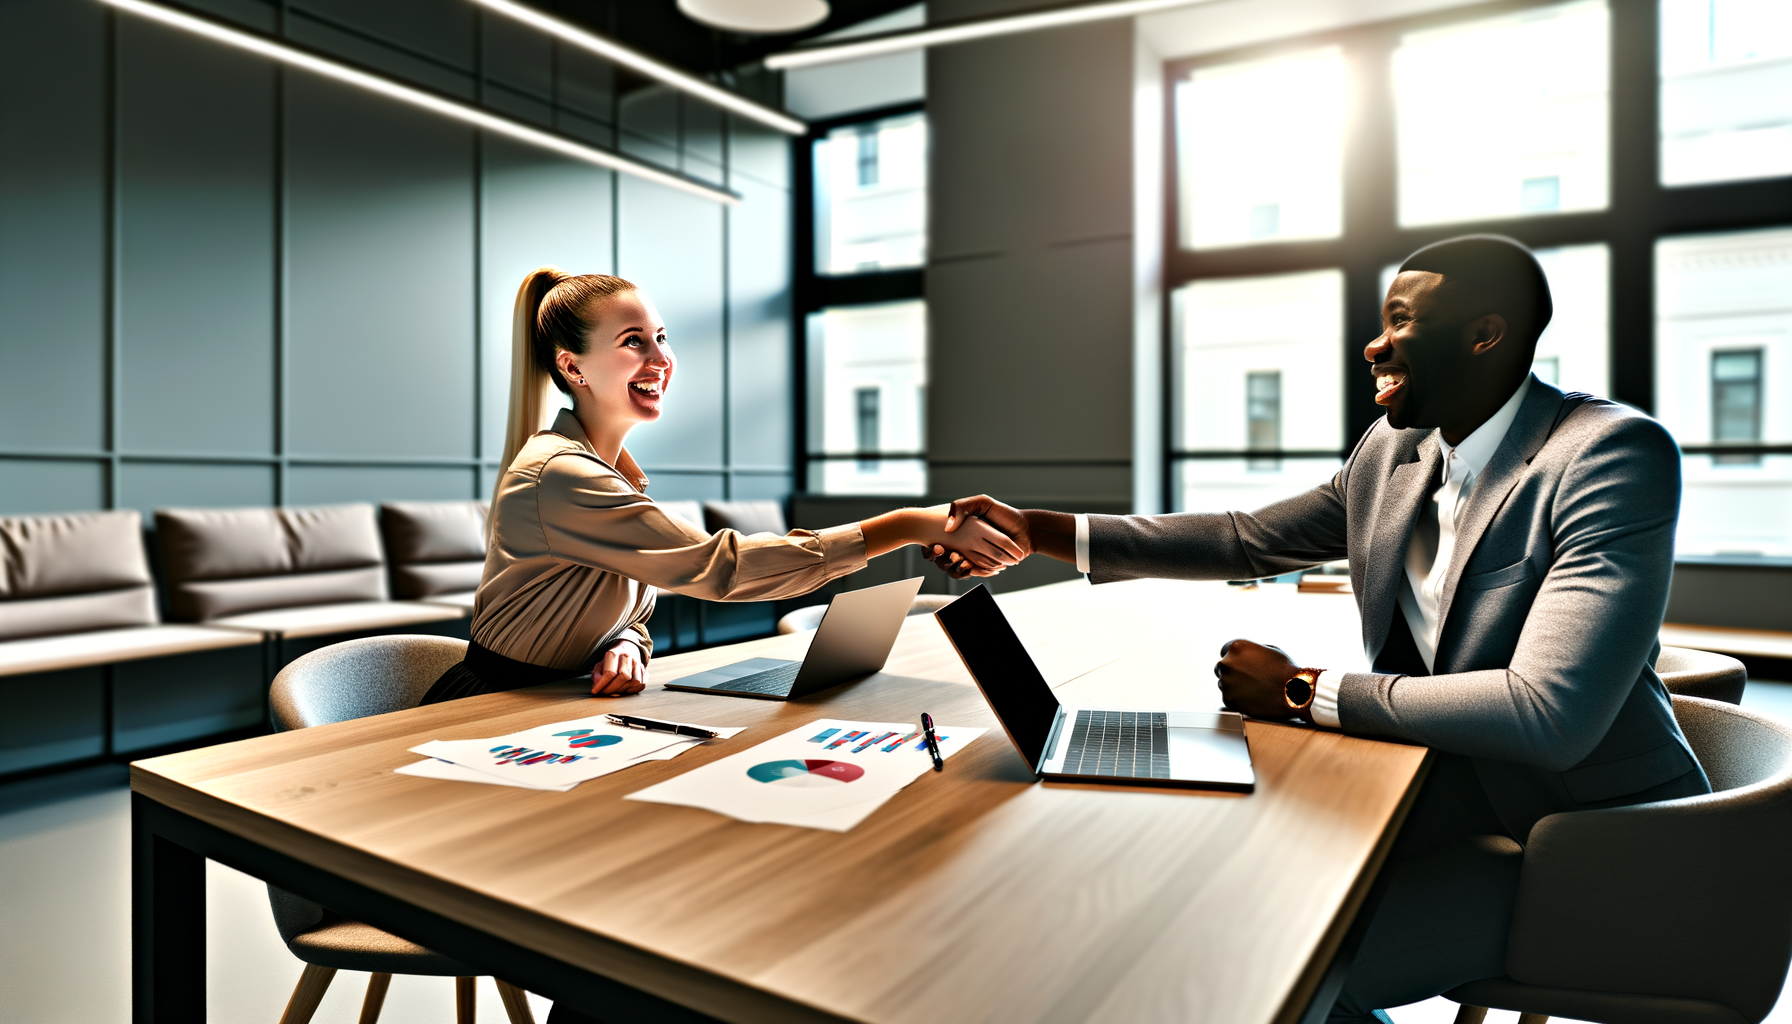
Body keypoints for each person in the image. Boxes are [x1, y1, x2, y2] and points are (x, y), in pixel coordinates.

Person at [935, 235, 1710, 1022]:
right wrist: (1039, 530)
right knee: (1213, 887)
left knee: (1268, 973)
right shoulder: (1395, 449)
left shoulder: (1607, 455)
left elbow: (1548, 714)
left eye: (1402, 321)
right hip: (1445, 791)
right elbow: (1246, 539)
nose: (1374, 345)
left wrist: (1304, 691)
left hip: (1579, 850)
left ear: (1485, 334)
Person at [422, 267, 1021, 707]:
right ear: (572, 366)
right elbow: (722, 569)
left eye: (661, 337)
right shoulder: (561, 475)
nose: (660, 358)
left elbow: (626, 609)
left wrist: (625, 644)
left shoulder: (612, 473)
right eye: (632, 341)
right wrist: (906, 525)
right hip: (489, 709)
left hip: (565, 701)